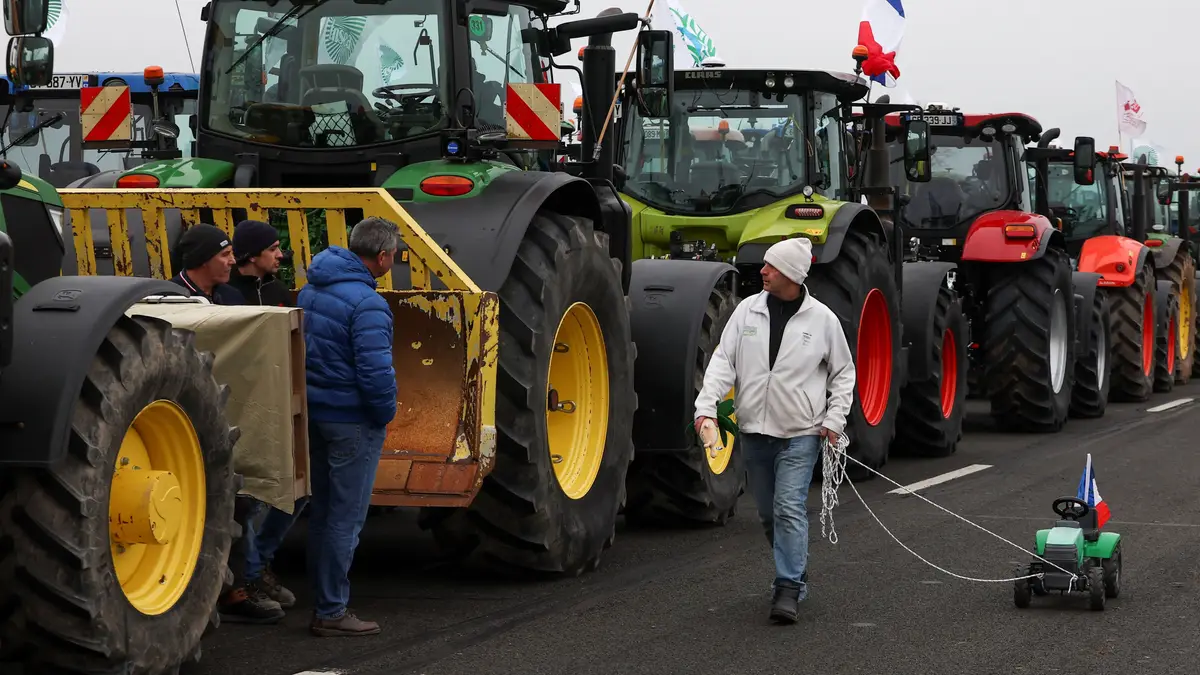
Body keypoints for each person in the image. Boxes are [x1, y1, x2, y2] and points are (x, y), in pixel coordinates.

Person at [693, 236, 855, 625]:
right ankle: (795, 568)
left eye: (772, 267)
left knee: (787, 508)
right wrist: (706, 409)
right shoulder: (747, 312)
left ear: (794, 276)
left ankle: (787, 587)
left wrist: (834, 420)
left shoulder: (823, 321)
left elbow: (843, 374)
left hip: (801, 433)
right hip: (755, 433)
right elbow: (721, 363)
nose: (762, 271)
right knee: (768, 515)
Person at [297, 217, 400, 637]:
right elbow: (376, 373)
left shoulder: (311, 289)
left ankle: (320, 598)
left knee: (321, 513)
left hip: (316, 415)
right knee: (346, 520)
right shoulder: (369, 304)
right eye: (394, 255)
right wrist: (386, 413)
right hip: (352, 421)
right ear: (381, 257)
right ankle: (331, 609)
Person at [228, 219, 306, 612]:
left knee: (297, 490)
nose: (280, 255)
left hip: (280, 404)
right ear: (250, 255)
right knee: (252, 498)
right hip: (244, 409)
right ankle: (249, 577)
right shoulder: (227, 297)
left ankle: (261, 565)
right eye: (273, 248)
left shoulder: (276, 292)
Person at [168, 223, 244, 305]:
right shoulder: (168, 298)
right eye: (225, 254)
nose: (233, 261)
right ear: (202, 259)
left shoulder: (232, 296)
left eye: (232, 253)